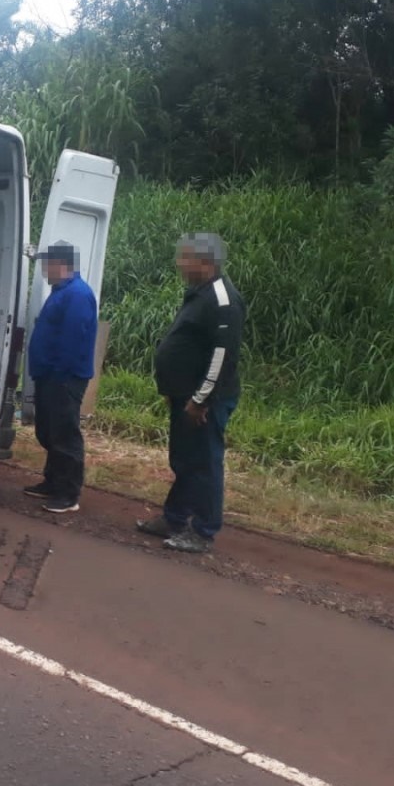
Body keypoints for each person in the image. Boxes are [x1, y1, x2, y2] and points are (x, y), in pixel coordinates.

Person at [137, 233, 245, 554]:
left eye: (185, 258)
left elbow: (222, 357)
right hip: (185, 397)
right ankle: (174, 518)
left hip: (206, 401)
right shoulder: (199, 291)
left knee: (204, 463)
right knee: (184, 459)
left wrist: (201, 399)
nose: (179, 264)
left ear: (206, 262)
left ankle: (203, 530)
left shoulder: (224, 300)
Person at [24, 241, 97, 514]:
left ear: (61, 264)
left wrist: (59, 373)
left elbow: (73, 339)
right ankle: (52, 481)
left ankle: (68, 494)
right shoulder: (60, 291)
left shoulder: (77, 294)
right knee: (49, 431)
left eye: (47, 264)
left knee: (65, 434)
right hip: (49, 375)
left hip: (64, 377)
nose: (44, 270)